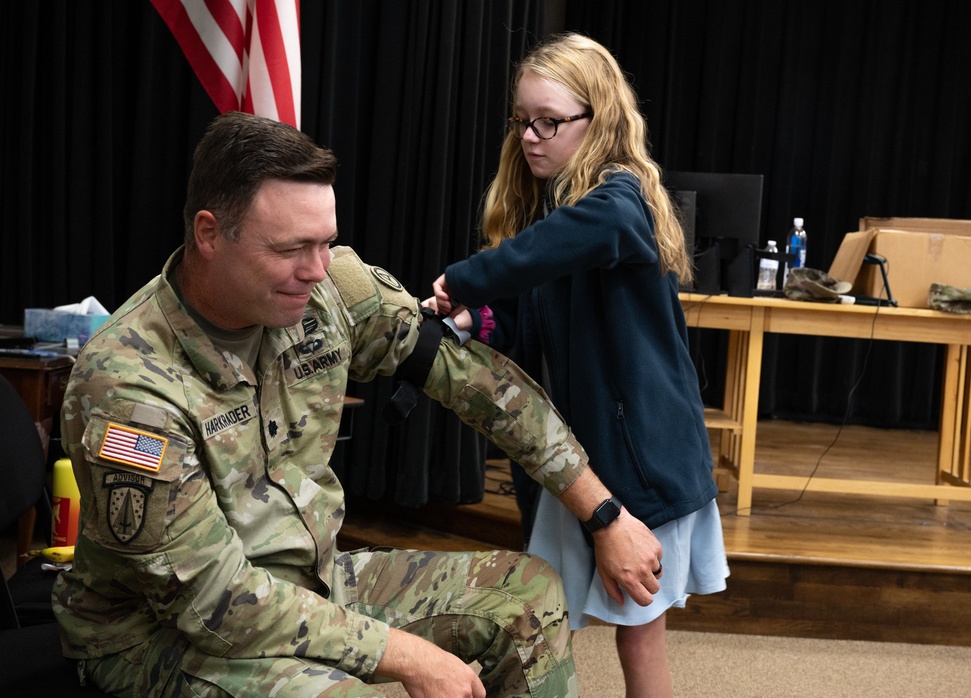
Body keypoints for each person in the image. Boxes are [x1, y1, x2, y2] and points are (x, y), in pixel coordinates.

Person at [51, 111, 665, 698]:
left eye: (327, 243)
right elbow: (213, 602)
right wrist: (403, 652)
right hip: (159, 636)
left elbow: (479, 384)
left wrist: (604, 514)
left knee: (527, 595)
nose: (318, 271)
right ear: (210, 234)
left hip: (313, 583)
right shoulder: (130, 384)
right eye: (292, 248)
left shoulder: (330, 294)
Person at [429, 33, 730, 697]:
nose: (530, 137)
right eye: (522, 121)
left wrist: (463, 279)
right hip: (575, 465)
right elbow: (520, 316)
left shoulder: (619, 203)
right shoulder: (552, 213)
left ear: (599, 120)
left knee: (638, 628)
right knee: (538, 614)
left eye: (549, 122)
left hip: (640, 459)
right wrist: (469, 317)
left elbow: (543, 254)